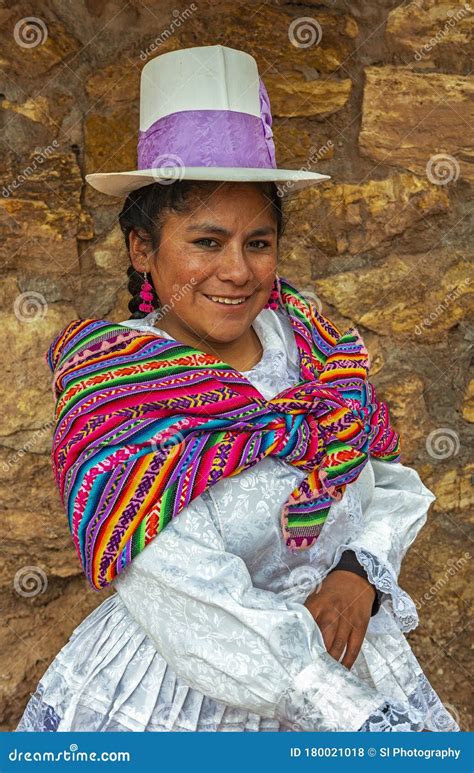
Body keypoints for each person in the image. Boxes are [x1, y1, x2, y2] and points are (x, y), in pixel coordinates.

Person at [16, 45, 459, 733]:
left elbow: (387, 477)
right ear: (142, 249)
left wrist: (358, 571)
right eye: (206, 241)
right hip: (185, 701)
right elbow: (191, 592)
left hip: (344, 655)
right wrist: (354, 718)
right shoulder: (117, 400)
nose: (236, 271)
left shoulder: (311, 348)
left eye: (258, 242)